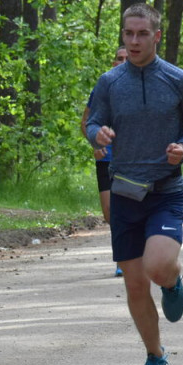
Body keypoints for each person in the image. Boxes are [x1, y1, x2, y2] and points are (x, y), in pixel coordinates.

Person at [85, 3, 183, 365]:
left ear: (157, 36)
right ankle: (155, 357)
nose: (134, 41)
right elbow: (92, 120)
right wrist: (97, 134)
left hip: (164, 190)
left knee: (157, 266)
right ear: (122, 36)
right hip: (125, 191)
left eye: (142, 34)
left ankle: (172, 282)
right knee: (135, 284)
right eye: (128, 34)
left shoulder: (179, 79)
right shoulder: (110, 81)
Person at [81, 46, 129, 276]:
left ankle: (125, 258)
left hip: (133, 159)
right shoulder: (103, 87)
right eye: (118, 58)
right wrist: (96, 144)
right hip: (106, 159)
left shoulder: (143, 87)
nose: (122, 61)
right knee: (110, 212)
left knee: (131, 208)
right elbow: (86, 121)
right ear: (113, 62)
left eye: (126, 58)